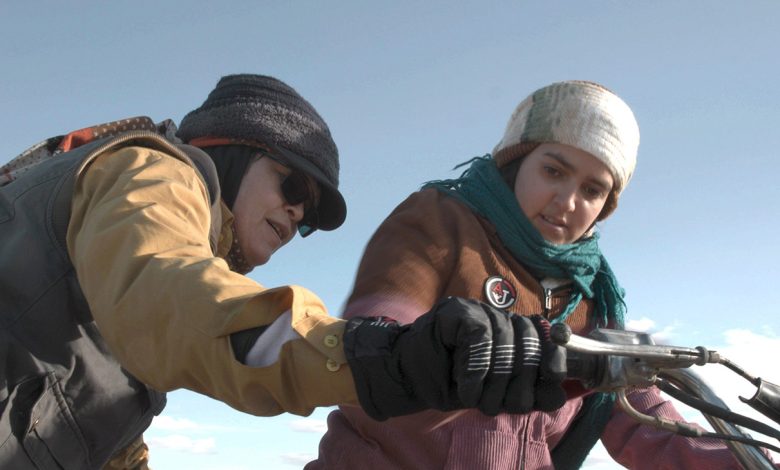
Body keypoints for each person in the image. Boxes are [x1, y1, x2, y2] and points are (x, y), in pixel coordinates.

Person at [0, 74, 566, 470]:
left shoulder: (177, 309)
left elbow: (108, 421)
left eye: (309, 217)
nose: (296, 216)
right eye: (292, 186)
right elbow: (164, 287)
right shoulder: (153, 171)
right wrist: (379, 356)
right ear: (229, 147)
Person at [308, 80, 765, 469]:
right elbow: (378, 325)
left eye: (592, 189)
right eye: (553, 170)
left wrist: (745, 457)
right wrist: (422, 344)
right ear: (516, 160)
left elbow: (641, 417)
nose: (567, 201)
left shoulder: (592, 294)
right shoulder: (440, 221)